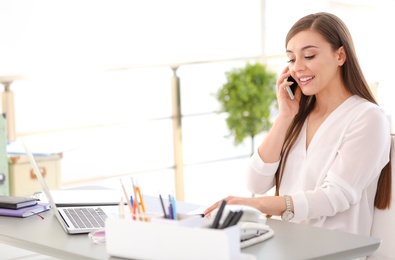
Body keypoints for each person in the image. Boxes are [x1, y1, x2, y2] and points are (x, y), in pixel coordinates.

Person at [204, 12, 392, 238]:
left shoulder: (368, 118)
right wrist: (284, 117)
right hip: (280, 244)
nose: (298, 67)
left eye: (309, 56)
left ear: (340, 55)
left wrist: (259, 205)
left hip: (332, 251)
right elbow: (256, 182)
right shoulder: (297, 116)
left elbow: (334, 196)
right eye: (291, 59)